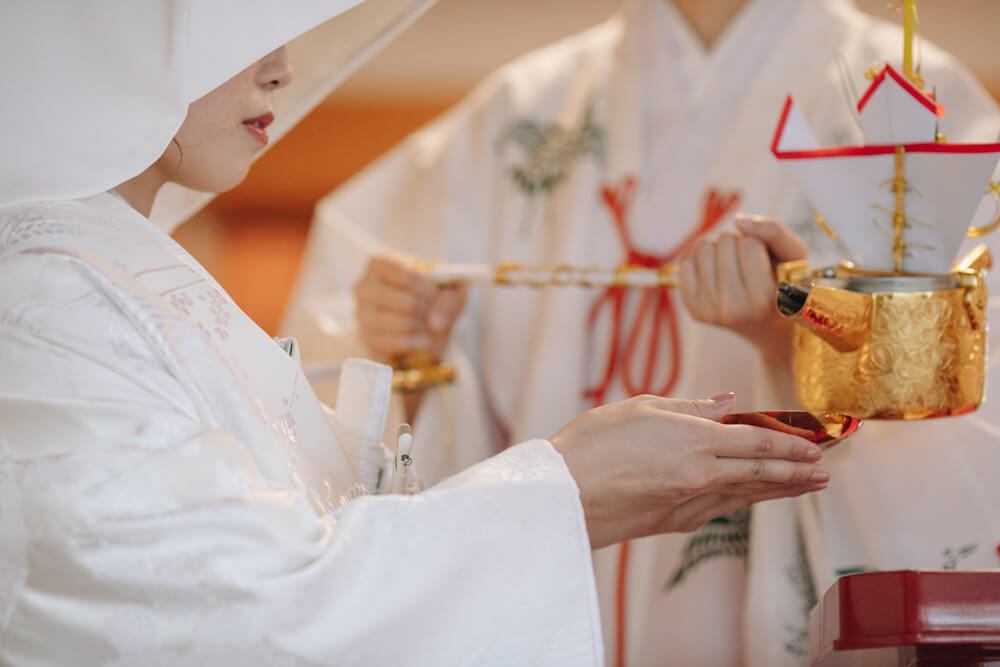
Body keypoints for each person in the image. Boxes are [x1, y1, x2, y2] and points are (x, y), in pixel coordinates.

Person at [0, 2, 831, 664]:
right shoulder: (48, 300)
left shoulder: (107, 275)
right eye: (238, 21)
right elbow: (248, 615)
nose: (284, 66)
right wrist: (564, 495)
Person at [281, 0, 1000, 664]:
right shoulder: (519, 116)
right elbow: (333, 348)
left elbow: (969, 408)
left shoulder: (919, 106)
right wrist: (409, 348)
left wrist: (802, 347)